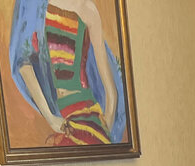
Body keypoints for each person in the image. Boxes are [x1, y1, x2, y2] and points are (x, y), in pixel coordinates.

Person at [9, 0, 128, 146]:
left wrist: (104, 130)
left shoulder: (87, 9)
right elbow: (24, 64)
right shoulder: (34, 4)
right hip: (56, 114)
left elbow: (111, 93)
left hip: (86, 112)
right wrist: (50, 118)